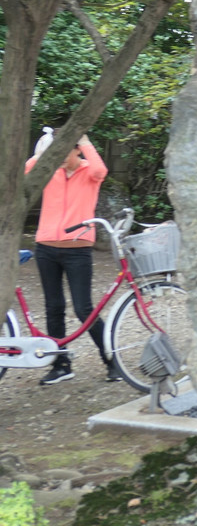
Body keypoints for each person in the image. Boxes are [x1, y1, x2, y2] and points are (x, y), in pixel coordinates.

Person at [24, 131, 120, 384]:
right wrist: (44, 152)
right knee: (53, 308)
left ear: (77, 149)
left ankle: (111, 361)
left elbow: (101, 171)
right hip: (46, 247)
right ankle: (61, 364)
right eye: (58, 151)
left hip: (77, 249)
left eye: (66, 150)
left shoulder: (89, 172)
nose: (61, 157)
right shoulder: (50, 170)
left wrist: (86, 140)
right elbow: (28, 169)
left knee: (83, 309)